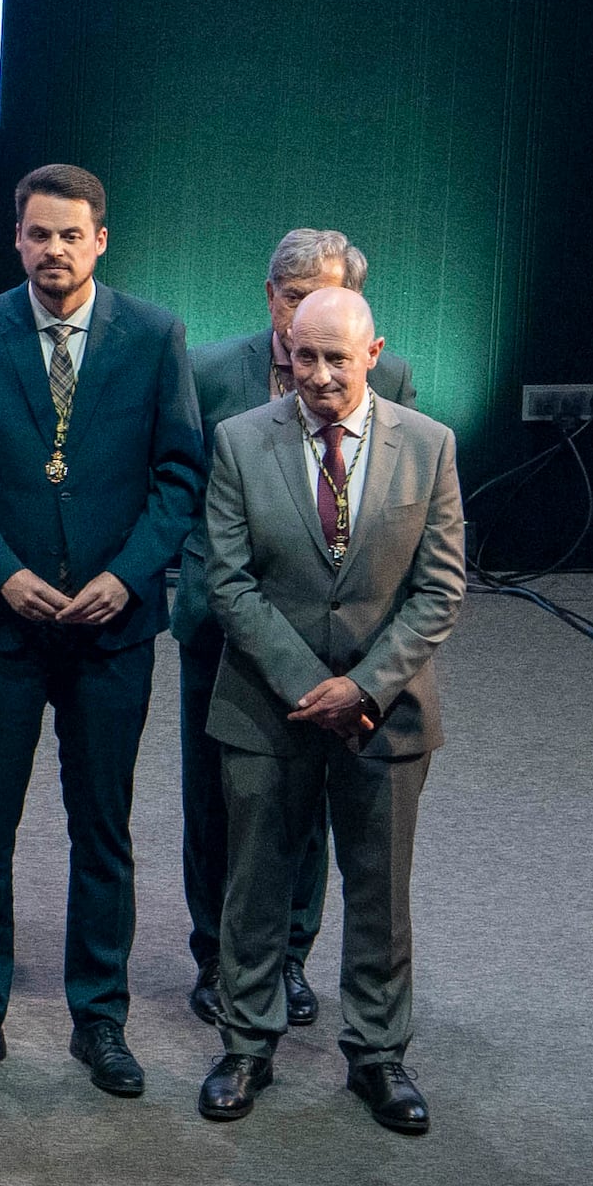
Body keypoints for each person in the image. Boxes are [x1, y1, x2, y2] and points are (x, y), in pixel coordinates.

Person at [0, 164, 207, 1101]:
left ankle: (101, 1022)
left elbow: (178, 476)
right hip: (2, 627)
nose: (53, 251)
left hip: (111, 630)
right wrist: (6, 575)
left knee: (103, 831)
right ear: (16, 240)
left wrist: (128, 578)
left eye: (70, 236)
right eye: (38, 235)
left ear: (100, 241)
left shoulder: (154, 335)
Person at [195, 286, 462, 1136]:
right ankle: (246, 1045)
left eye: (336, 358)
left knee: (379, 890)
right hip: (267, 709)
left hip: (387, 713)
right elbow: (227, 580)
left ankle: (378, 1055)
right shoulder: (240, 442)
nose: (318, 374)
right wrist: (307, 683)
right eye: (304, 356)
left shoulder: (431, 446)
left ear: (373, 354)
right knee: (256, 886)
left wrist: (364, 686)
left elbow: (441, 587)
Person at [175, 229, 411, 1031]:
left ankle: (291, 959)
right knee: (219, 802)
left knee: (308, 806)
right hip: (225, 623)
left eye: (323, 299)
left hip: (335, 642)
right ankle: (218, 955)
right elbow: (175, 486)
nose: (303, 320)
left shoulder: (393, 382)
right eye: (290, 298)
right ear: (267, 295)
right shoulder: (208, 373)